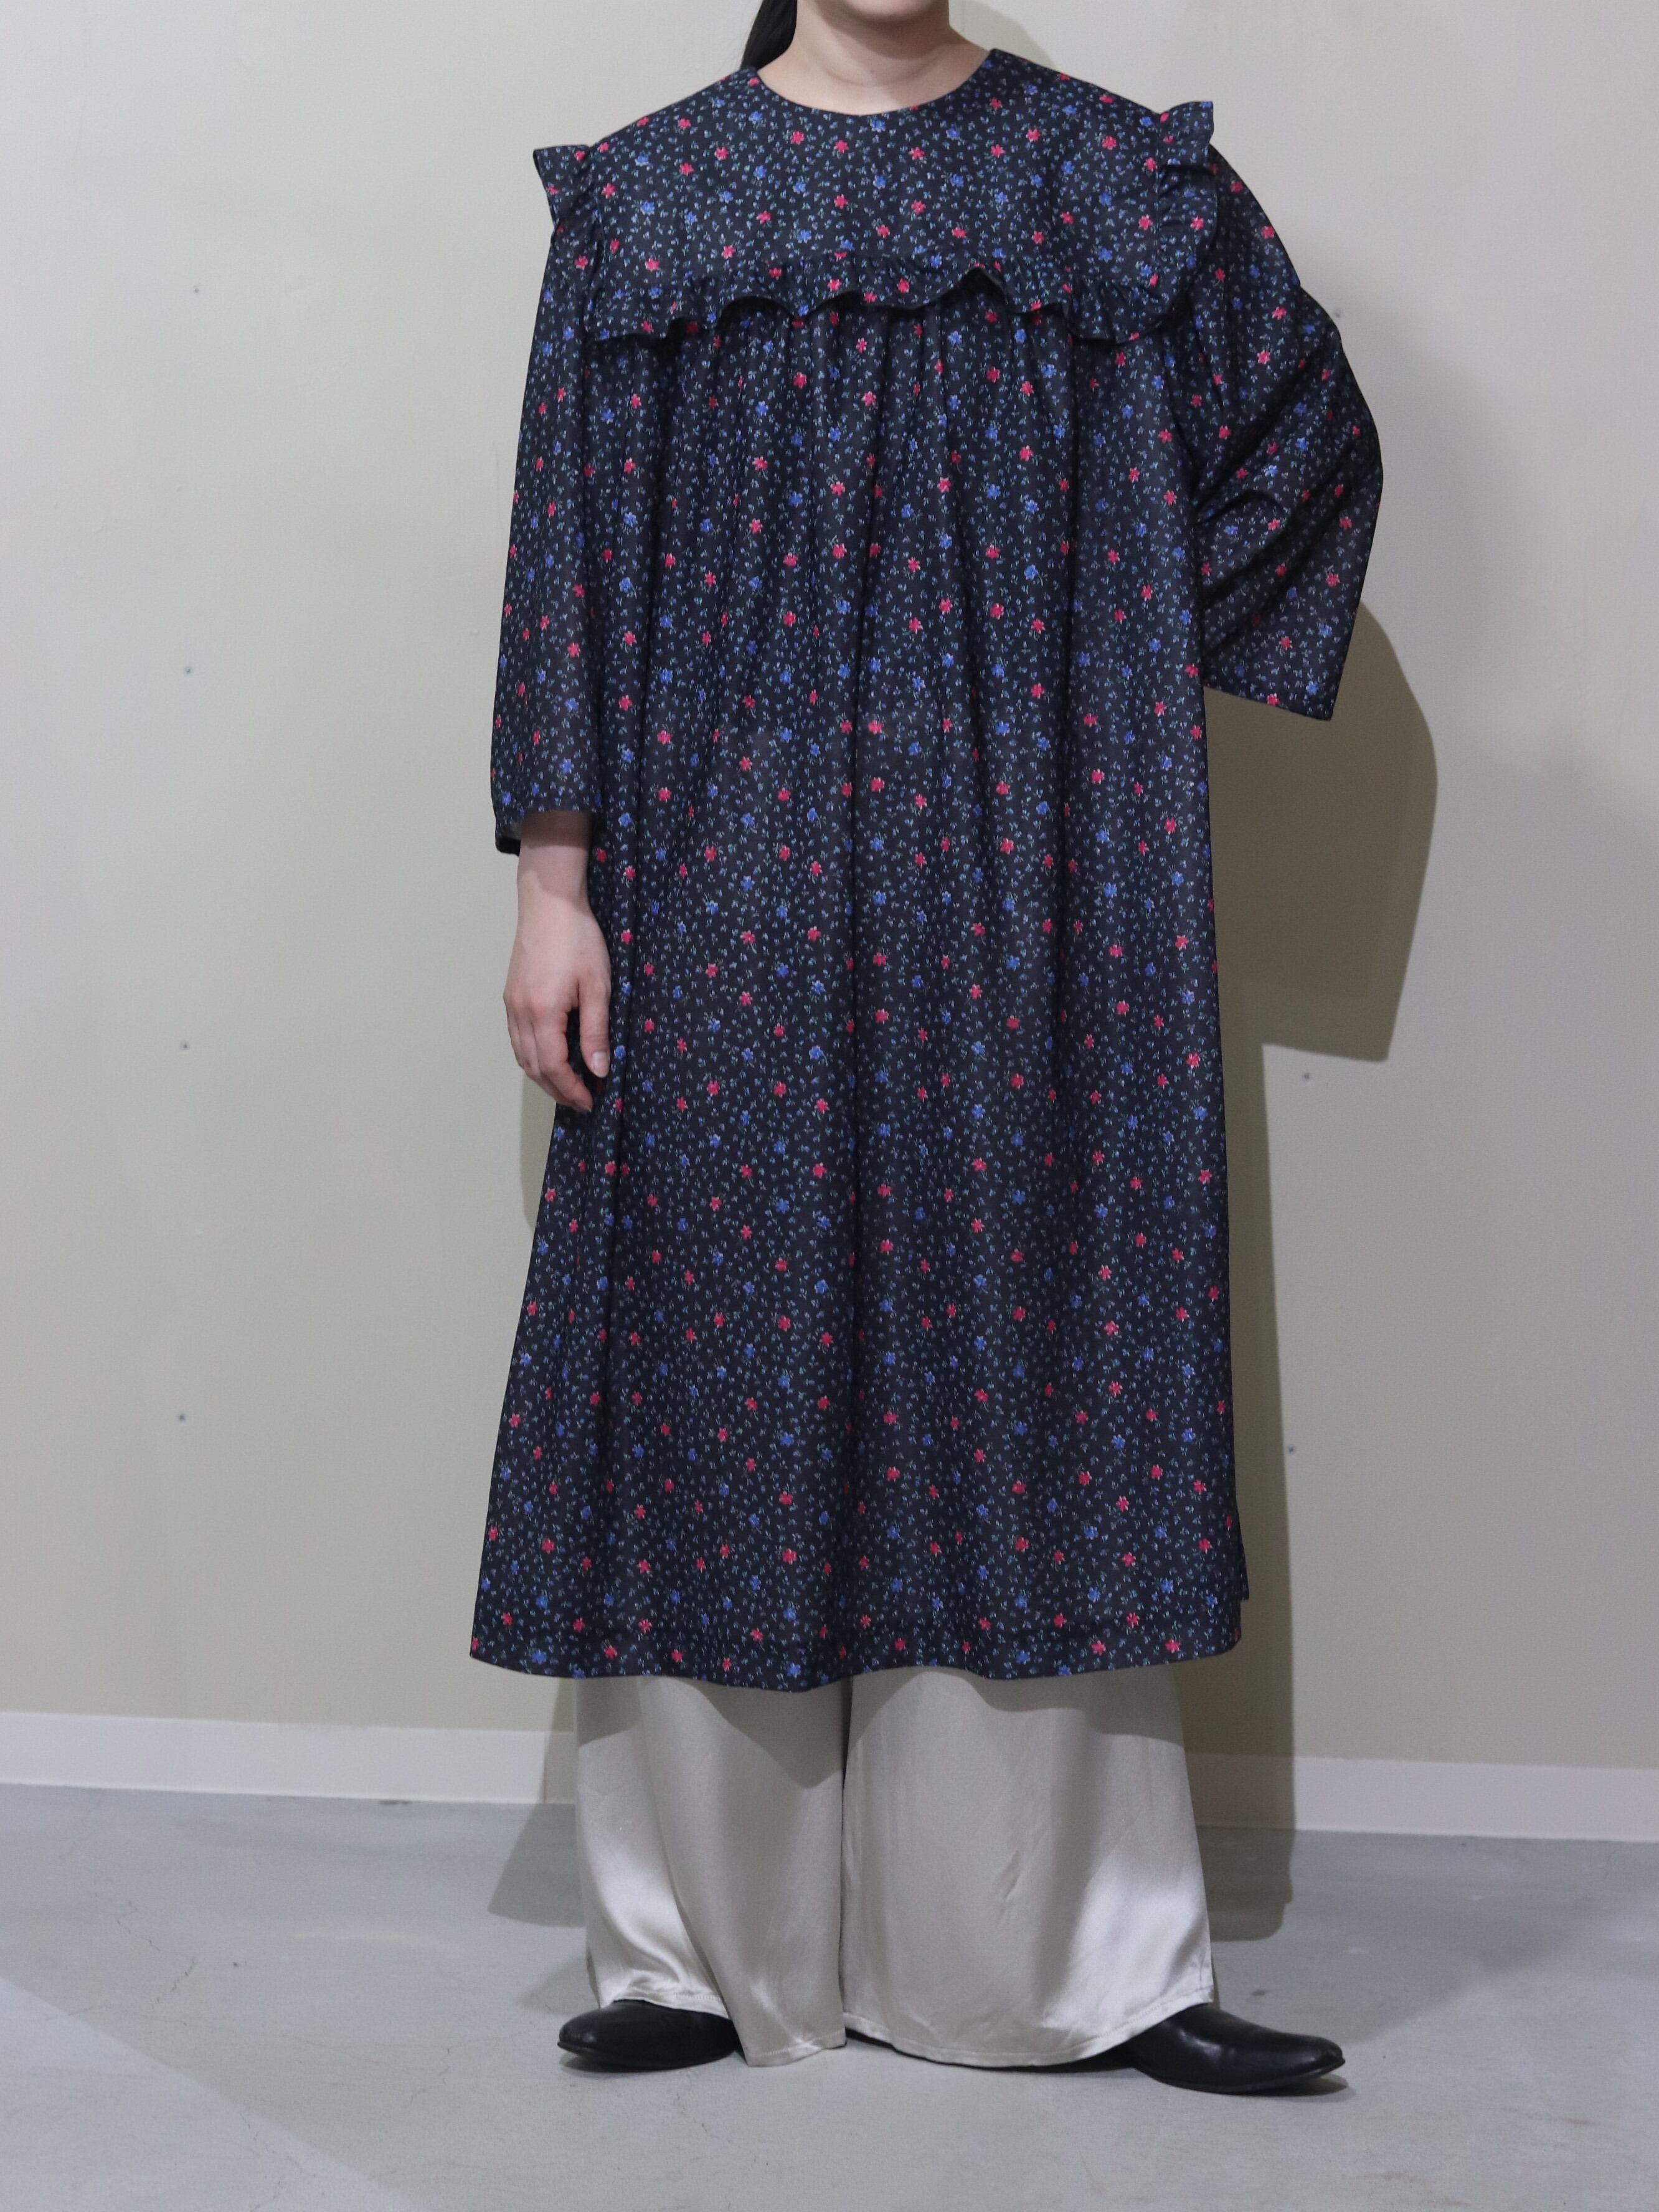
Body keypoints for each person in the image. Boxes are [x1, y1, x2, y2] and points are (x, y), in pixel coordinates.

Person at [471, 0, 1381, 2092]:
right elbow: (565, 557)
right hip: (720, 867)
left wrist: (1108, 655)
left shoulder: (1117, 186)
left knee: (1040, 1368)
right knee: (719, 1363)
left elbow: (1304, 444)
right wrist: (554, 886)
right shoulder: (650, 204)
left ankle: (1071, 1960)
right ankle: (703, 1956)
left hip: (1045, 871)